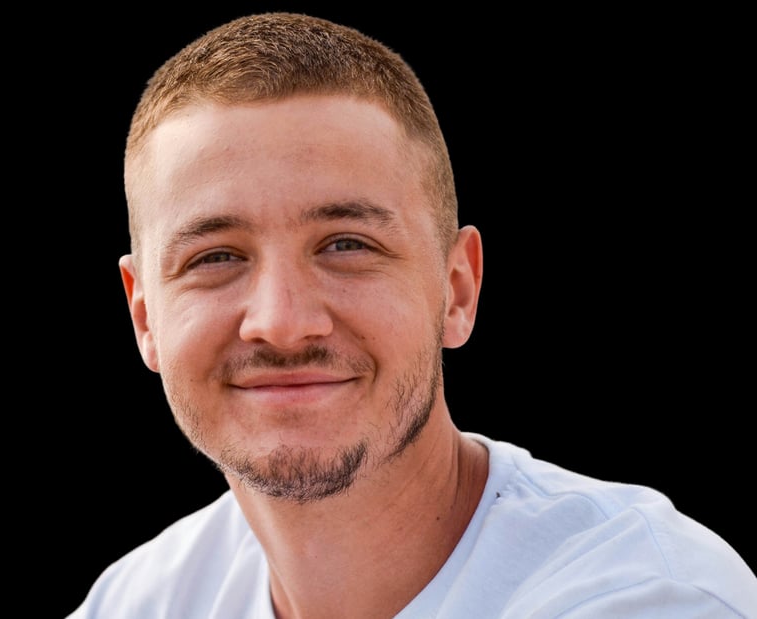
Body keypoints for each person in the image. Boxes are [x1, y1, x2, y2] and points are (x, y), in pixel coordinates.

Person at [68, 11, 756, 619]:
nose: (281, 322)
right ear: (144, 318)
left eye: (346, 245)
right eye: (216, 257)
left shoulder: (651, 596)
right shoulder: (139, 601)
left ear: (457, 290)